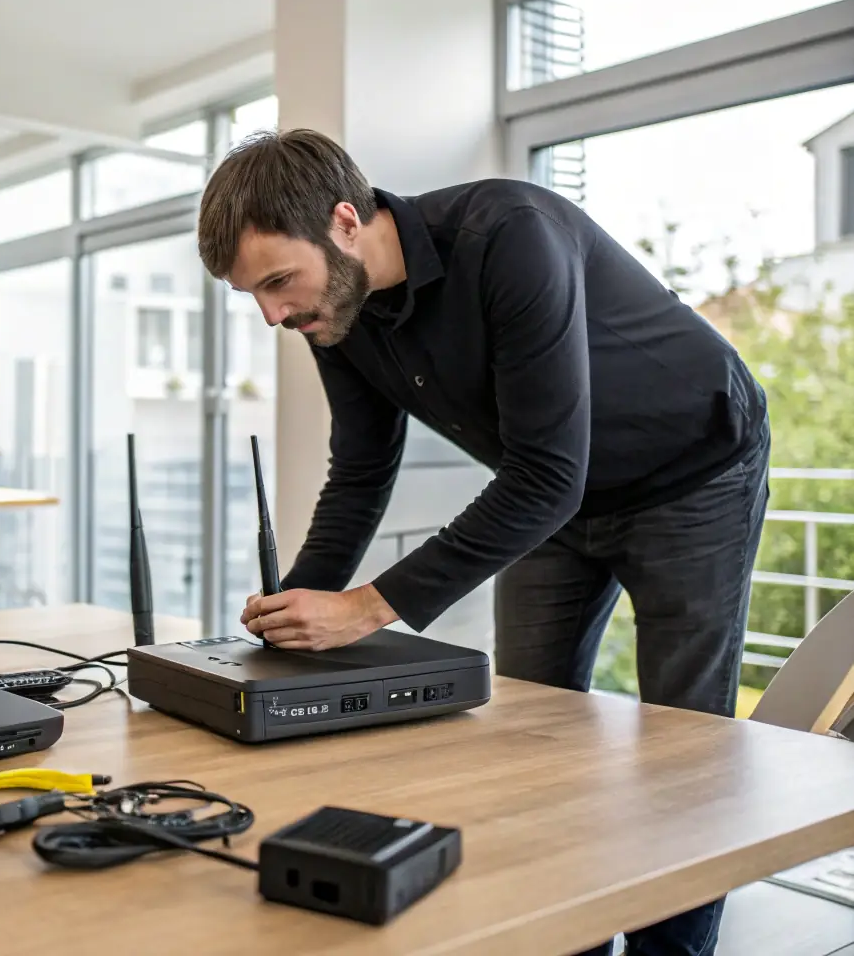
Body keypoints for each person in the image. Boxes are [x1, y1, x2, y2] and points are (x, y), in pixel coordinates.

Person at [196, 128, 770, 956]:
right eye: (253, 295)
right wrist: (289, 610)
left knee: (681, 747)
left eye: (278, 281)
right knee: (531, 734)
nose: (272, 314)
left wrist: (365, 608)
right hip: (551, 493)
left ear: (345, 222)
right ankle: (565, 938)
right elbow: (360, 472)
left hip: (691, 469)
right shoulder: (337, 312)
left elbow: (546, 476)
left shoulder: (510, 234)